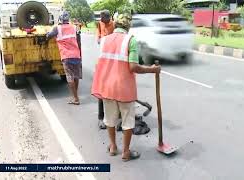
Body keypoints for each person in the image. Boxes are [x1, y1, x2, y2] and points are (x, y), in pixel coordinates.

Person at [91, 13, 161, 162]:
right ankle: (126, 152)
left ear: (115, 24)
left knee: (109, 119)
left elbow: (101, 64)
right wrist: (152, 69)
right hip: (124, 88)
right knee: (128, 121)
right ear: (128, 26)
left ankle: (113, 147)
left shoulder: (104, 40)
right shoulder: (131, 40)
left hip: (107, 87)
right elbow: (134, 67)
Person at [47, 11, 82, 105]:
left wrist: (48, 32)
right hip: (76, 55)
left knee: (70, 77)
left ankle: (75, 99)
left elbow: (48, 36)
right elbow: (78, 41)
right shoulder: (74, 27)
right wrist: (80, 55)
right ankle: (75, 96)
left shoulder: (57, 28)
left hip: (67, 56)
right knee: (76, 76)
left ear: (60, 19)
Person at [96, 10, 115, 129]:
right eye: (101, 18)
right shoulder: (99, 24)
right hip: (104, 61)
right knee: (102, 92)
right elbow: (98, 38)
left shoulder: (114, 24)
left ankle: (116, 115)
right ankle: (100, 117)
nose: (103, 20)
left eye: (105, 18)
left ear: (109, 18)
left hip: (114, 60)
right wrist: (103, 40)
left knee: (115, 89)